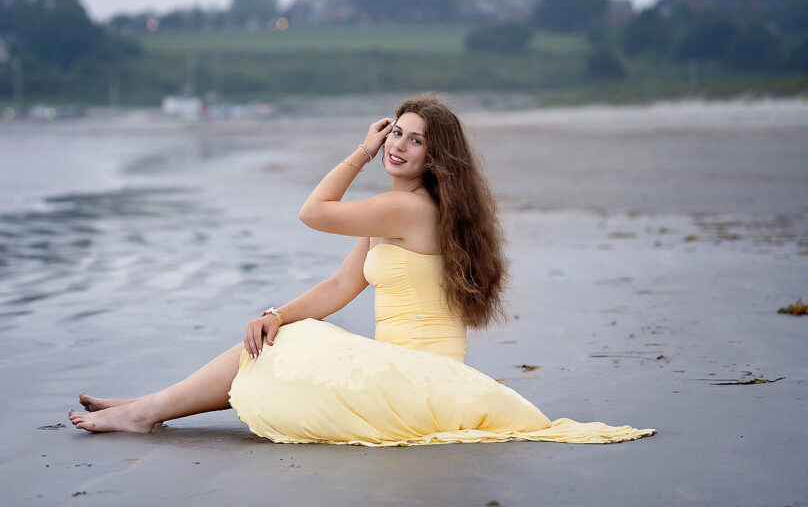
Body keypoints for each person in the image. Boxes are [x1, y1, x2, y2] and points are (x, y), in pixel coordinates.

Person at [69, 93, 656, 445]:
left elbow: (312, 212)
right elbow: (341, 286)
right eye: (394, 133)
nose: (398, 146)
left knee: (286, 349)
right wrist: (272, 313)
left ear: (436, 155)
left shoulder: (406, 206)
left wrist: (360, 152)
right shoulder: (409, 212)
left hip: (419, 379)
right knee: (280, 338)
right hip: (409, 372)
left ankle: (146, 411)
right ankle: (147, 405)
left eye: (413, 140)